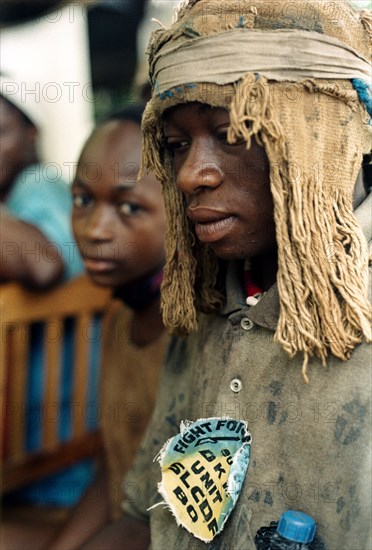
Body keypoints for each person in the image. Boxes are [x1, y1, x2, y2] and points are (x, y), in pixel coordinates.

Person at [78, 1, 371, 549]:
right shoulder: (211, 301)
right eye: (176, 145)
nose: (191, 175)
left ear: (324, 136)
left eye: (236, 132)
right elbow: (146, 514)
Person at [46, 105, 169, 549]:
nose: (95, 229)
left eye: (129, 206)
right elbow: (113, 465)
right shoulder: (121, 317)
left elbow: (159, 520)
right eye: (82, 201)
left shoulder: (195, 337)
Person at [0, 76, 96, 514]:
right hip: (68, 453)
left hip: (47, 471)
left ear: (31, 132)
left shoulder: (37, 188)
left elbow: (42, 263)